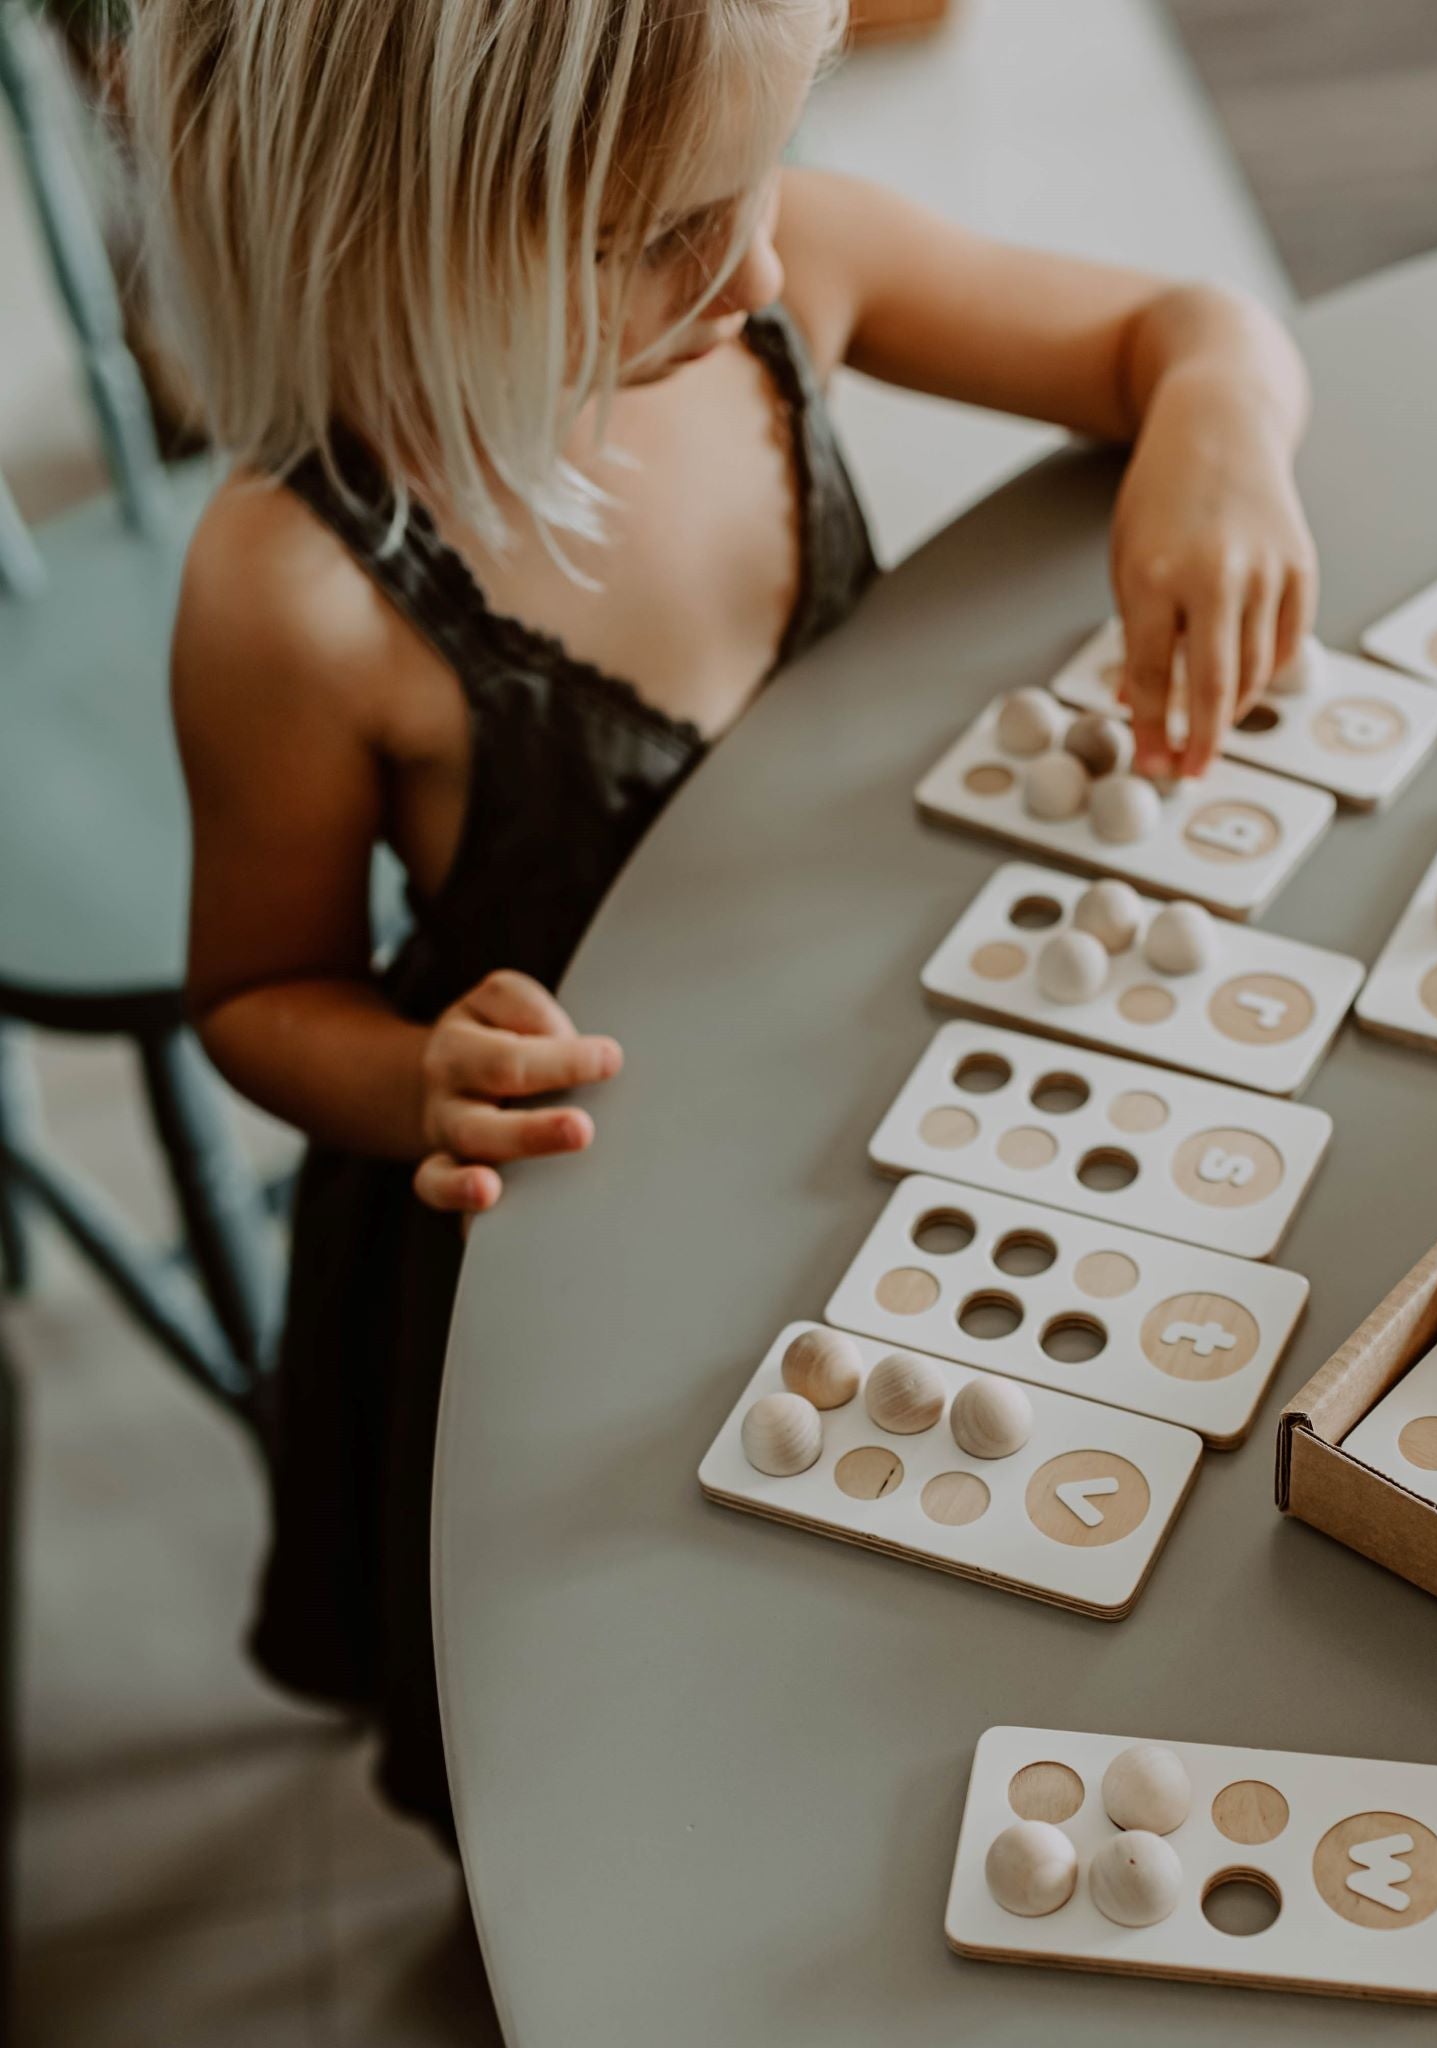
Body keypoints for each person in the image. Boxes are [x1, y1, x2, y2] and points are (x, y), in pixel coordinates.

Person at [132, 0, 1317, 1845]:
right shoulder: (296, 597)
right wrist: (416, 1077)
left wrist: (1220, 433)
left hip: (868, 1101)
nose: (753, 261)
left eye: (763, 172)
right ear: (384, 236)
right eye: (663, 228)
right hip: (569, 1233)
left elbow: (1185, 331)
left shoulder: (792, 275)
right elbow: (259, 993)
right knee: (586, 1688)